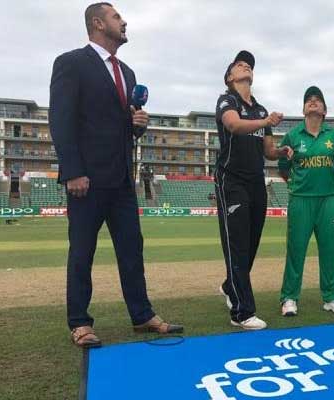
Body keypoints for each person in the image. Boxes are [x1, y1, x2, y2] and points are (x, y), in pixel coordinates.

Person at [49, 2, 182, 348]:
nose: (123, 22)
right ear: (97, 23)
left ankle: (142, 315)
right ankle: (80, 322)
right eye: (116, 17)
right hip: (86, 180)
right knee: (82, 252)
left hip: (122, 179)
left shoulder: (128, 73)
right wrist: (73, 171)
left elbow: (124, 127)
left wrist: (138, 125)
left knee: (132, 250)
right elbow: (61, 121)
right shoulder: (71, 63)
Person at [215, 50, 292, 330]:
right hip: (231, 180)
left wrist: (281, 151)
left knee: (250, 244)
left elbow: (267, 150)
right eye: (239, 64)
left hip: (256, 182)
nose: (246, 66)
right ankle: (241, 312)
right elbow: (234, 125)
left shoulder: (260, 109)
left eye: (249, 65)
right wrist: (266, 122)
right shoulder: (227, 101)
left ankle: (230, 286)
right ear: (230, 77)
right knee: (236, 245)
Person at [277, 86, 334, 317]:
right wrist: (299, 185)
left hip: (328, 200)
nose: (313, 102)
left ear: (325, 110)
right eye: (309, 100)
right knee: (295, 250)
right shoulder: (292, 136)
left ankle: (332, 297)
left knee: (329, 250)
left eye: (318, 100)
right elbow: (283, 168)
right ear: (303, 109)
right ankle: (289, 298)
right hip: (301, 201)